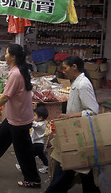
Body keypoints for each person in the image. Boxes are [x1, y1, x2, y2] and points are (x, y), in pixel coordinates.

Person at [0, 44, 41, 188]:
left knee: (23, 152)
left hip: (20, 120)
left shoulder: (16, 73)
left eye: (7, 53)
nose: (4, 55)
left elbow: (5, 98)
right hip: (14, 118)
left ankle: (33, 179)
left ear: (13, 57)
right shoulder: (19, 70)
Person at [45, 55, 100, 193]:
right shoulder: (76, 82)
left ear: (74, 67)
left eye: (65, 68)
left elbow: (92, 111)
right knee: (83, 172)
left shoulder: (83, 84)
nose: (63, 71)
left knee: (65, 170)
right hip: (75, 132)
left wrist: (68, 116)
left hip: (79, 134)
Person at [16, 102, 49, 174]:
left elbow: (33, 124)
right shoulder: (41, 123)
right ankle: (47, 166)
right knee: (41, 155)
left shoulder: (40, 124)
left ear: (40, 118)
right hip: (39, 144)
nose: (33, 117)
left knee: (29, 155)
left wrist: (26, 119)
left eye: (34, 115)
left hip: (37, 144)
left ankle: (23, 166)